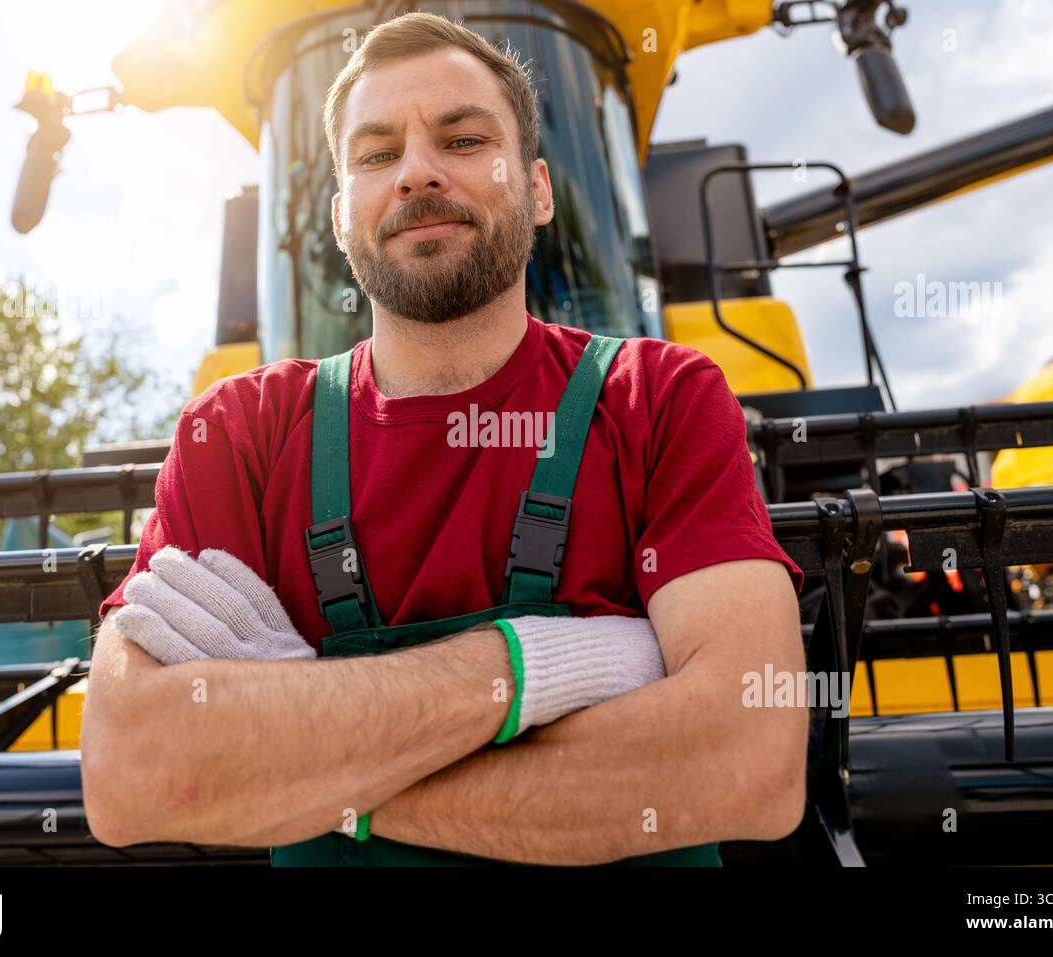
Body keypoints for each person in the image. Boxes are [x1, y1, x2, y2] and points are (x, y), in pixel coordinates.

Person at [81, 11, 807, 867]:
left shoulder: (663, 400)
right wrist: (546, 664)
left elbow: (750, 762)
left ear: (539, 189)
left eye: (463, 141)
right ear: (340, 210)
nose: (418, 173)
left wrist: (303, 757)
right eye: (377, 155)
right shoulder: (236, 431)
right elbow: (132, 776)